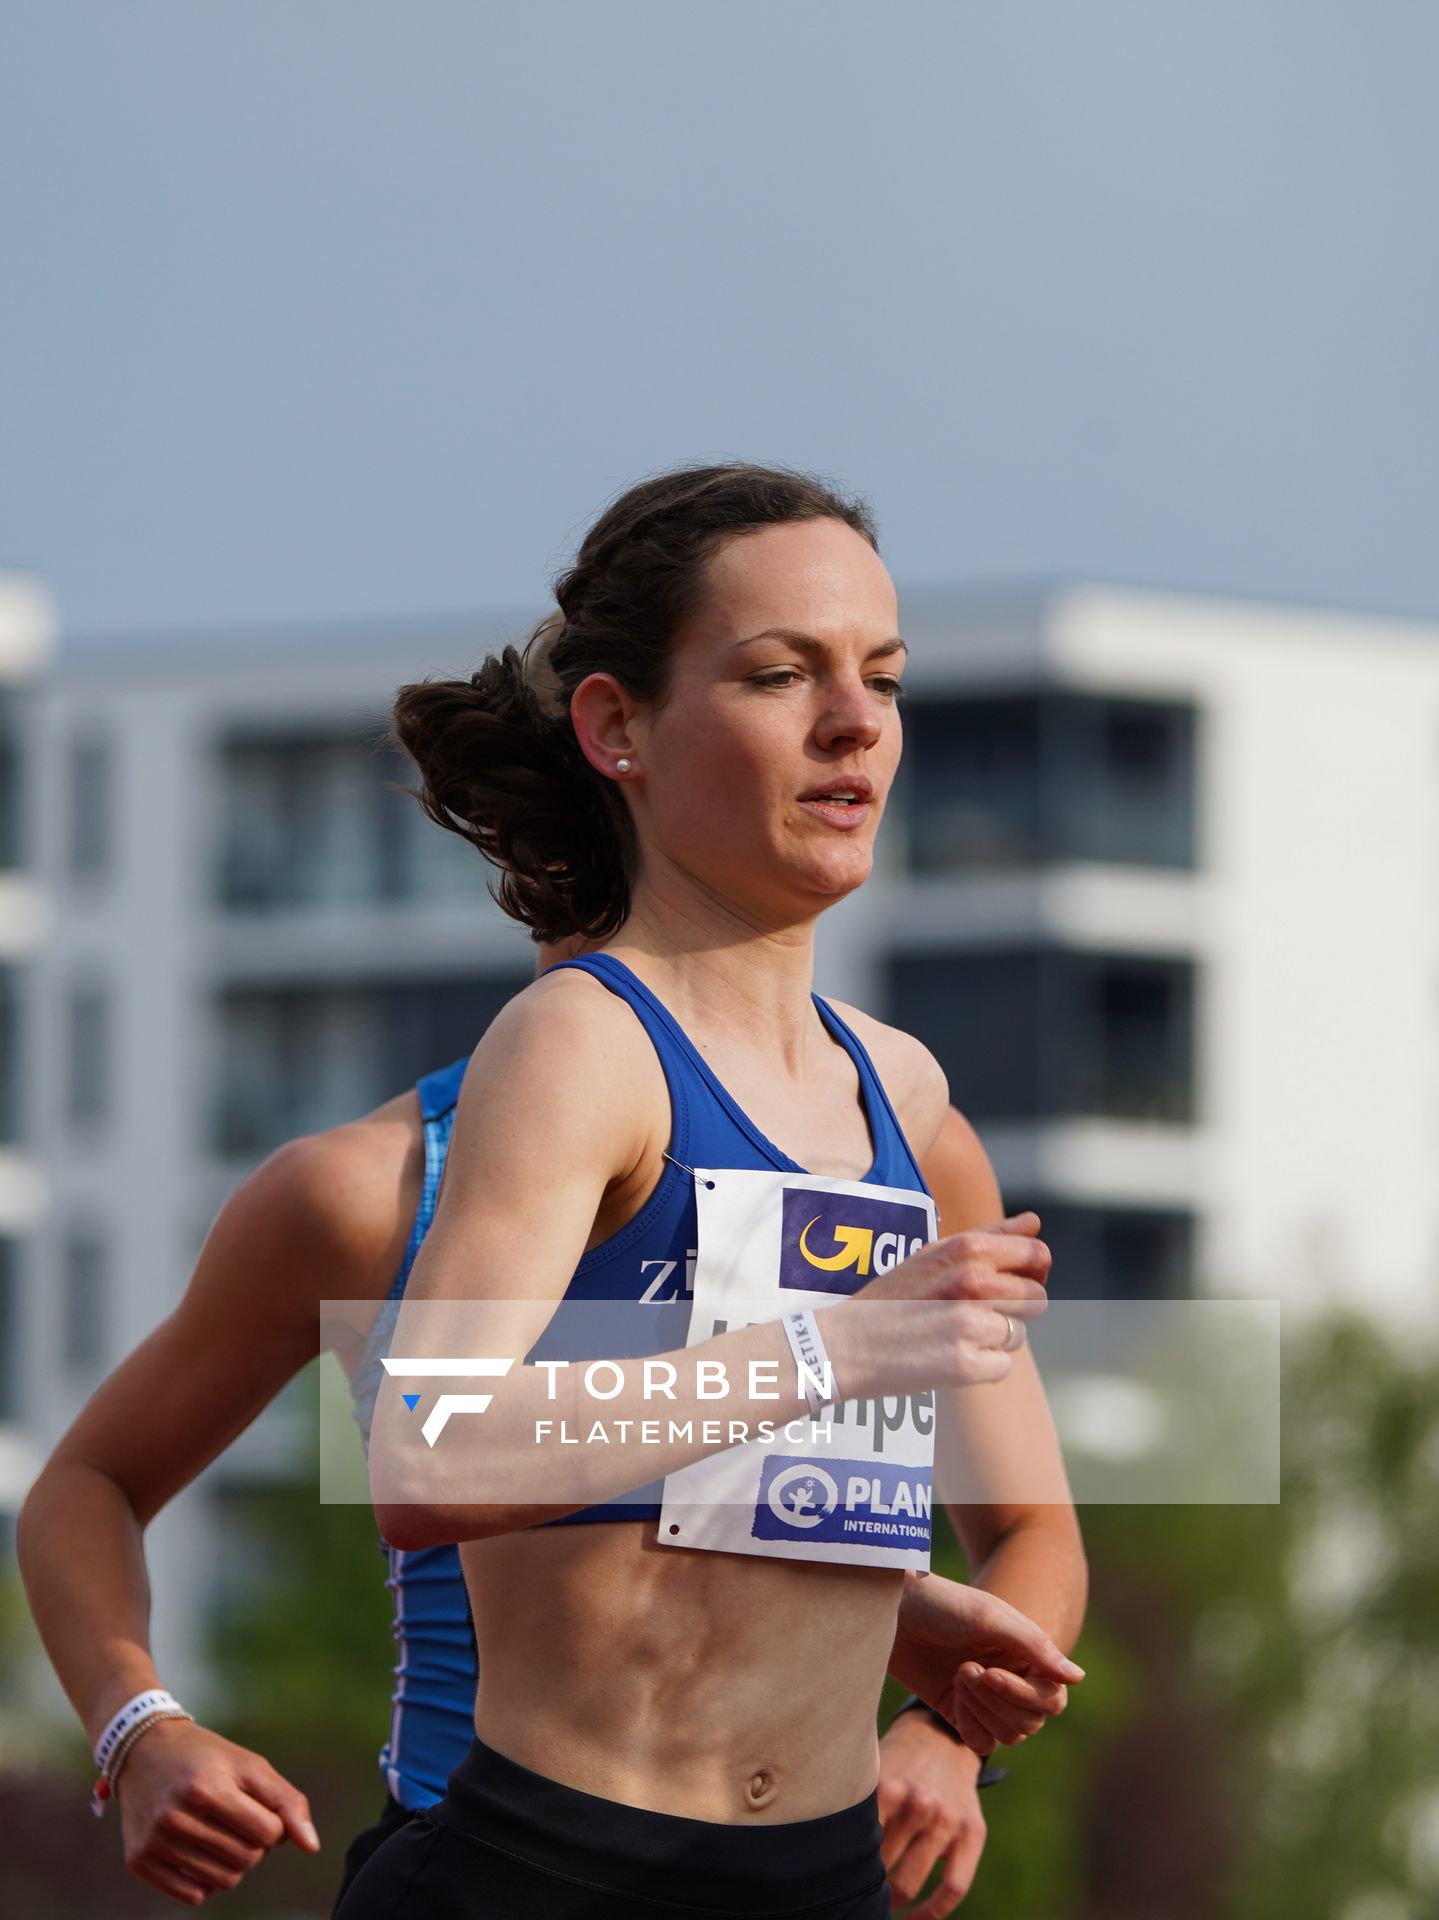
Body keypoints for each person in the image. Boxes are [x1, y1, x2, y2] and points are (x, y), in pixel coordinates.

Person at [330, 459, 1087, 1919]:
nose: (853, 720)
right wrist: (834, 1348)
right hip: (554, 1874)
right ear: (615, 726)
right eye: (779, 674)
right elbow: (427, 1456)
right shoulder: (580, 1045)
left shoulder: (904, 1096)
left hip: (823, 1877)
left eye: (881, 677)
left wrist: (908, 1650)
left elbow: (1004, 1530)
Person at [19, 947, 1085, 1918]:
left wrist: (942, 1735)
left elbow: (1029, 1530)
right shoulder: (362, 1192)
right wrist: (138, 1725)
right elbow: (91, 1480)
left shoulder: (893, 1132)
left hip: (794, 1872)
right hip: (492, 1853)